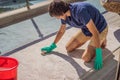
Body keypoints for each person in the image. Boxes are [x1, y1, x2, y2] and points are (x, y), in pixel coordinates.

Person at [41, 0, 108, 70]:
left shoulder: (80, 11)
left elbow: (95, 32)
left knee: (86, 58)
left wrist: (99, 54)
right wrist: (52, 45)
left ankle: (102, 39)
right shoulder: (64, 15)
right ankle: (98, 41)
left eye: (57, 16)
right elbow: (61, 31)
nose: (57, 18)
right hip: (86, 30)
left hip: (99, 29)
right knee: (68, 48)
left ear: (62, 13)